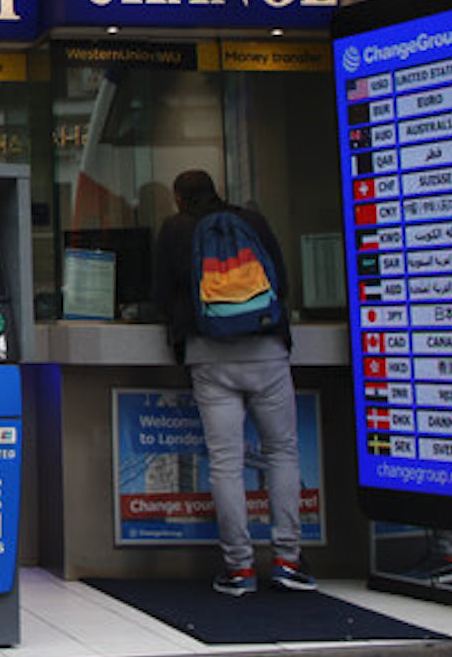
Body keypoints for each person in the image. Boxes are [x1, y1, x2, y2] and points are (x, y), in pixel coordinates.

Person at [150, 170, 314, 597]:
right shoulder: (252, 221)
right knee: (282, 452)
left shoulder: (174, 230)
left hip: (210, 356)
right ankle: (287, 560)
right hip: (266, 350)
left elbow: (161, 296)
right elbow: (281, 283)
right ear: (216, 192)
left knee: (225, 462)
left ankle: (240, 568)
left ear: (178, 198)